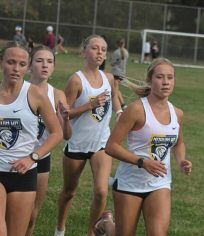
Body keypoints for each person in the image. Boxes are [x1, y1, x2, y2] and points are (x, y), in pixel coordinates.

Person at [0, 41, 63, 236]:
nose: (16, 69)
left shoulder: (36, 95)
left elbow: (57, 133)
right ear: (1, 62)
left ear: (28, 66)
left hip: (25, 174)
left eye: (22, 64)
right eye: (11, 62)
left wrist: (33, 157)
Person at [106, 58, 192, 236]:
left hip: (160, 184)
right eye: (160, 77)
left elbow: (179, 143)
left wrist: (182, 160)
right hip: (130, 183)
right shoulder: (136, 110)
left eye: (170, 77)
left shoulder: (177, 113)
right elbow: (111, 146)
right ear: (150, 80)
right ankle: (106, 225)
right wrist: (142, 162)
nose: (166, 82)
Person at [54, 35, 122, 236]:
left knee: (101, 192)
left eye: (103, 49)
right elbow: (65, 114)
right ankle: (60, 229)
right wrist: (89, 105)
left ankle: (91, 233)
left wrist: (119, 112)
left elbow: (115, 97)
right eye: (94, 48)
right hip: (76, 144)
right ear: (84, 51)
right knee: (69, 192)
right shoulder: (76, 80)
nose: (100, 52)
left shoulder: (108, 78)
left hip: (101, 144)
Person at [25, 45, 72, 236]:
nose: (45, 65)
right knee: (12, 211)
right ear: (29, 65)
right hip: (16, 155)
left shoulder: (57, 95)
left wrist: (66, 118)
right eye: (39, 60)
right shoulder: (20, 89)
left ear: (53, 67)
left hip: (41, 157)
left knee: (31, 215)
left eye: (49, 61)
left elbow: (67, 135)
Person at [110, 38, 129, 110]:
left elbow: (112, 63)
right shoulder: (126, 52)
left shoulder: (116, 52)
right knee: (116, 89)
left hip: (116, 72)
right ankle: (121, 105)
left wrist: (111, 62)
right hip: (122, 72)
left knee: (115, 90)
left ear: (117, 44)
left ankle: (120, 105)